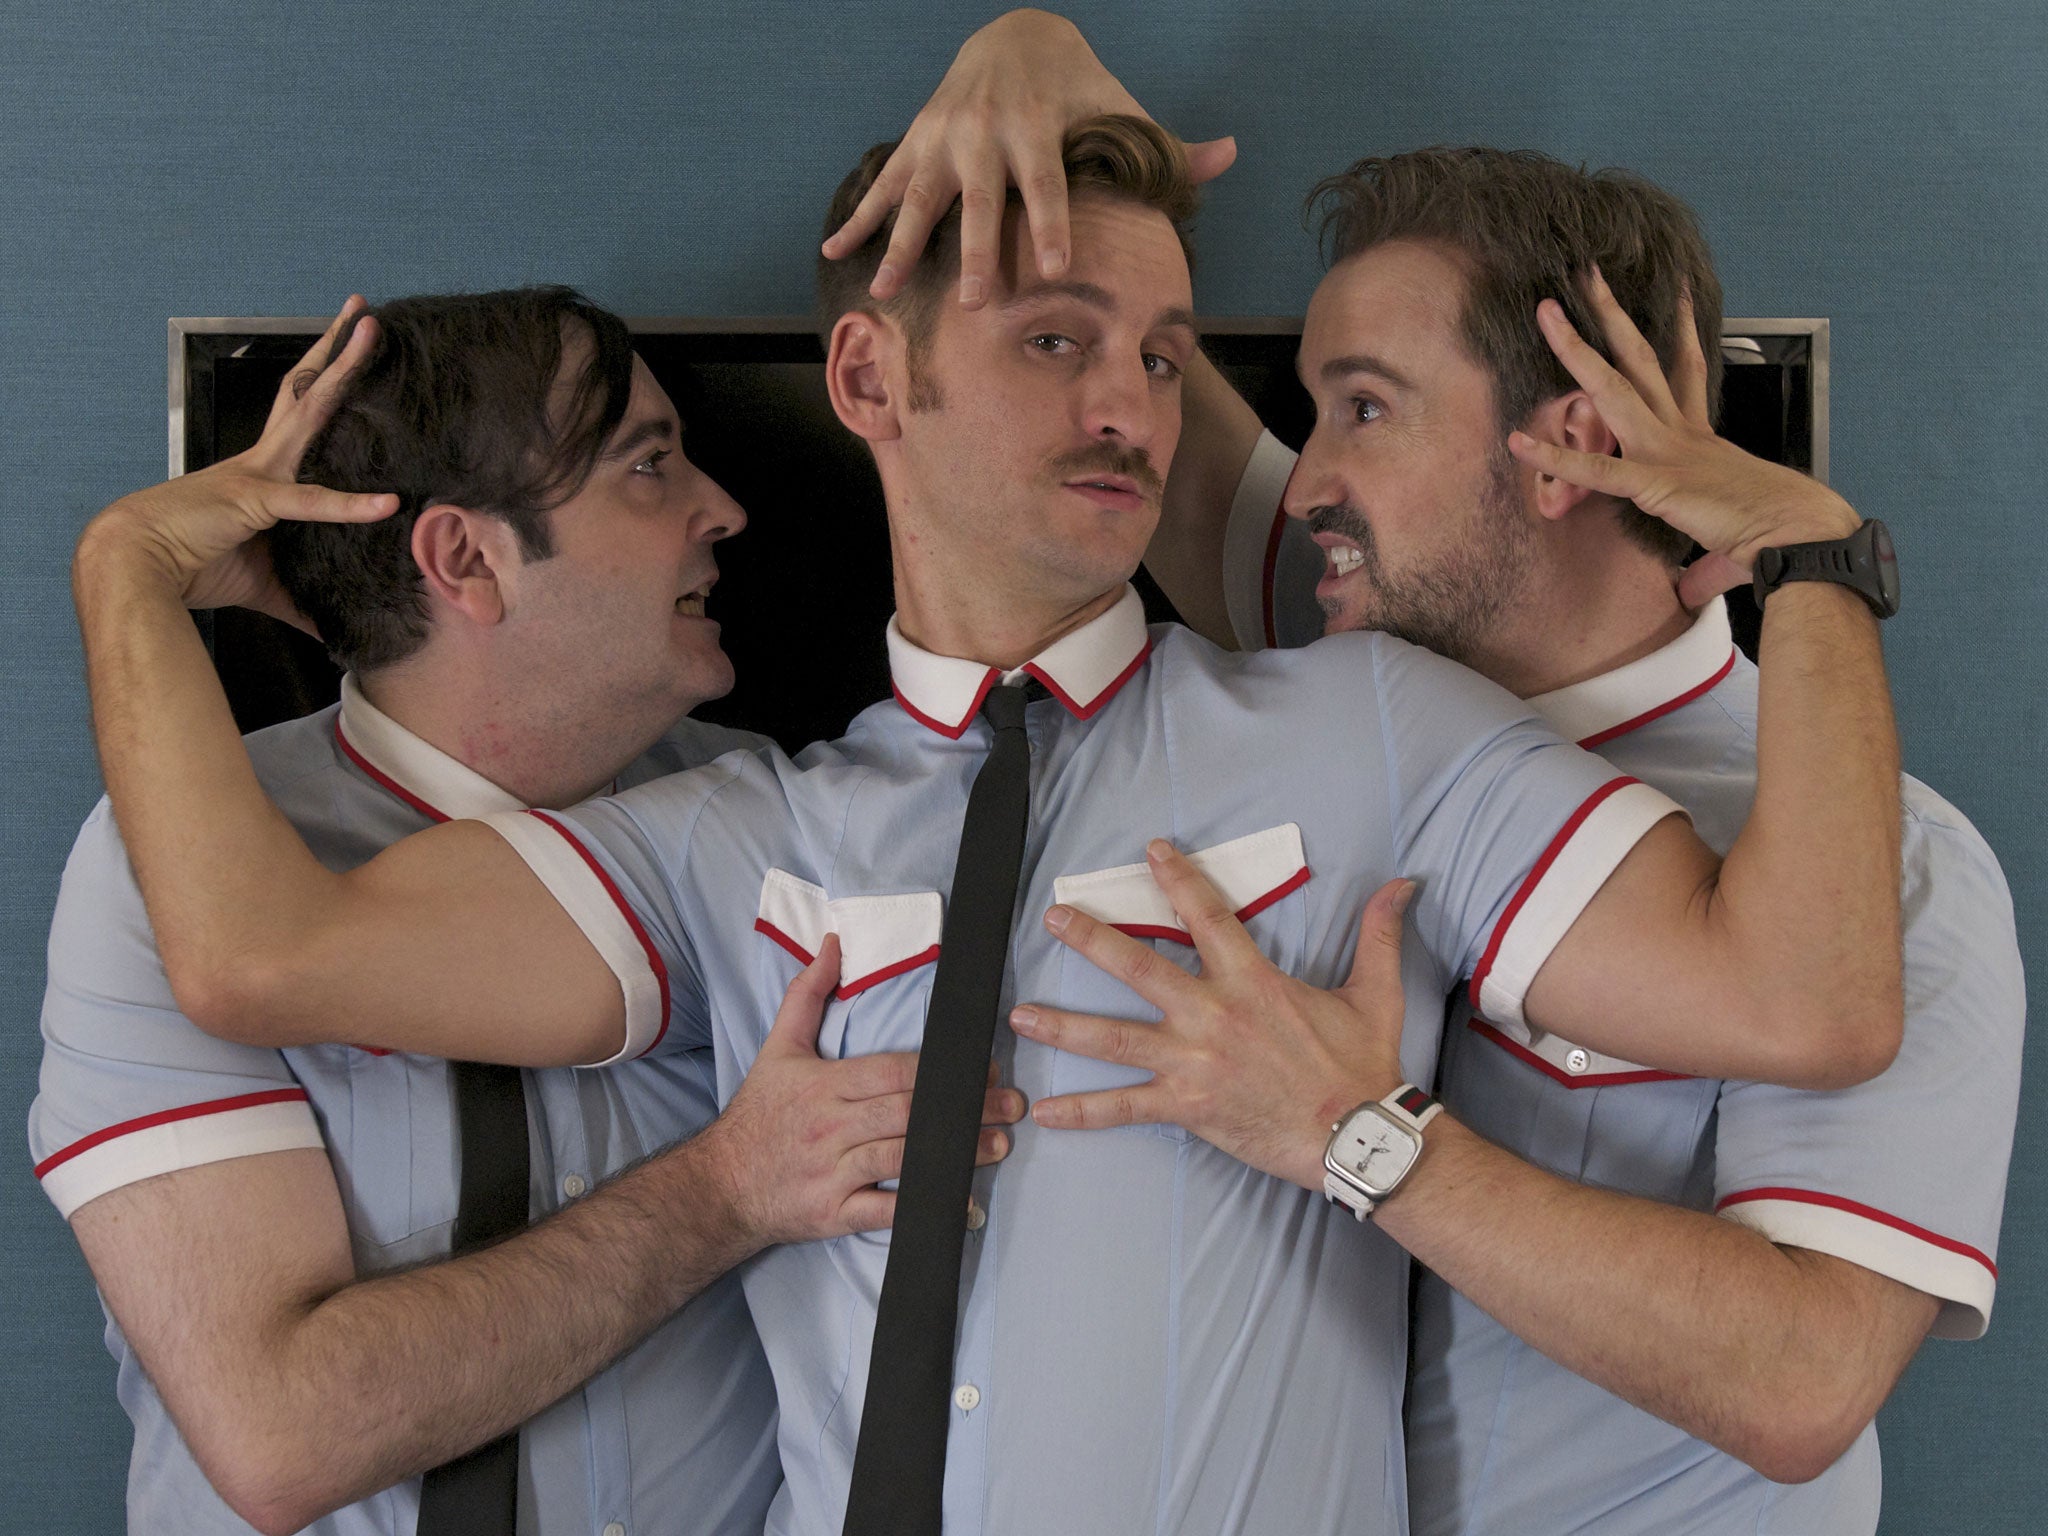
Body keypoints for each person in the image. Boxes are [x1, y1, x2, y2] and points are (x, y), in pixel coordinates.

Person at [70, 114, 1905, 1536]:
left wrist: (1811, 559)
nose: (1129, 406)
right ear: (867, 382)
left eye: (1166, 354)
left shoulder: (1378, 727)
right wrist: (123, 584)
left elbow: (1809, 1000)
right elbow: (258, 953)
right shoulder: (727, 837)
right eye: (1052, 341)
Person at [868, 18, 2021, 1531]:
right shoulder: (1342, 656)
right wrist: (1027, 45)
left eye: (1362, 408)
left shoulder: (1879, 863)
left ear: (1573, 451)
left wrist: (1358, 1135)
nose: (1314, 477)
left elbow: (1800, 1382)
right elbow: (1117, 409)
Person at [31, 286, 1021, 1534]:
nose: (723, 509)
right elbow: (280, 1432)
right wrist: (726, 1191)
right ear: (466, 558)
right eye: (649, 467)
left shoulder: (771, 829)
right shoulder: (170, 874)